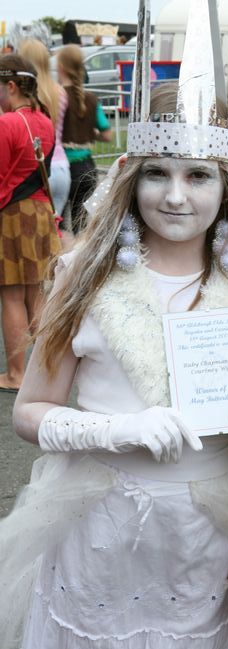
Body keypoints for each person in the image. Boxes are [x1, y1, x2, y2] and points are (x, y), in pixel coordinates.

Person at [0, 3, 228, 649]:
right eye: (156, 173)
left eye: (197, 176)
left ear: (225, 188)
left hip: (201, 545)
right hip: (105, 536)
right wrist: (114, 429)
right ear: (129, 180)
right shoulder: (80, 283)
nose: (174, 196)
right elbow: (29, 413)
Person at [0, 54, 60, 393]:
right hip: (40, 213)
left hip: (12, 214)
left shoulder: (7, 123)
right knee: (36, 293)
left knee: (10, 295)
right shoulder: (45, 120)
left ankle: (15, 374)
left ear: (10, 86)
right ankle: (44, 370)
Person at [55, 44, 112, 234]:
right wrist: (87, 134)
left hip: (62, 167)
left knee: (59, 227)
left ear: (61, 67)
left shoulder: (56, 98)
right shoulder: (91, 99)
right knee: (82, 227)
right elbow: (107, 134)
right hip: (87, 168)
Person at [17, 38, 71, 218]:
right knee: (54, 233)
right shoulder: (60, 92)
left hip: (33, 171)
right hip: (61, 167)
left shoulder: (21, 97)